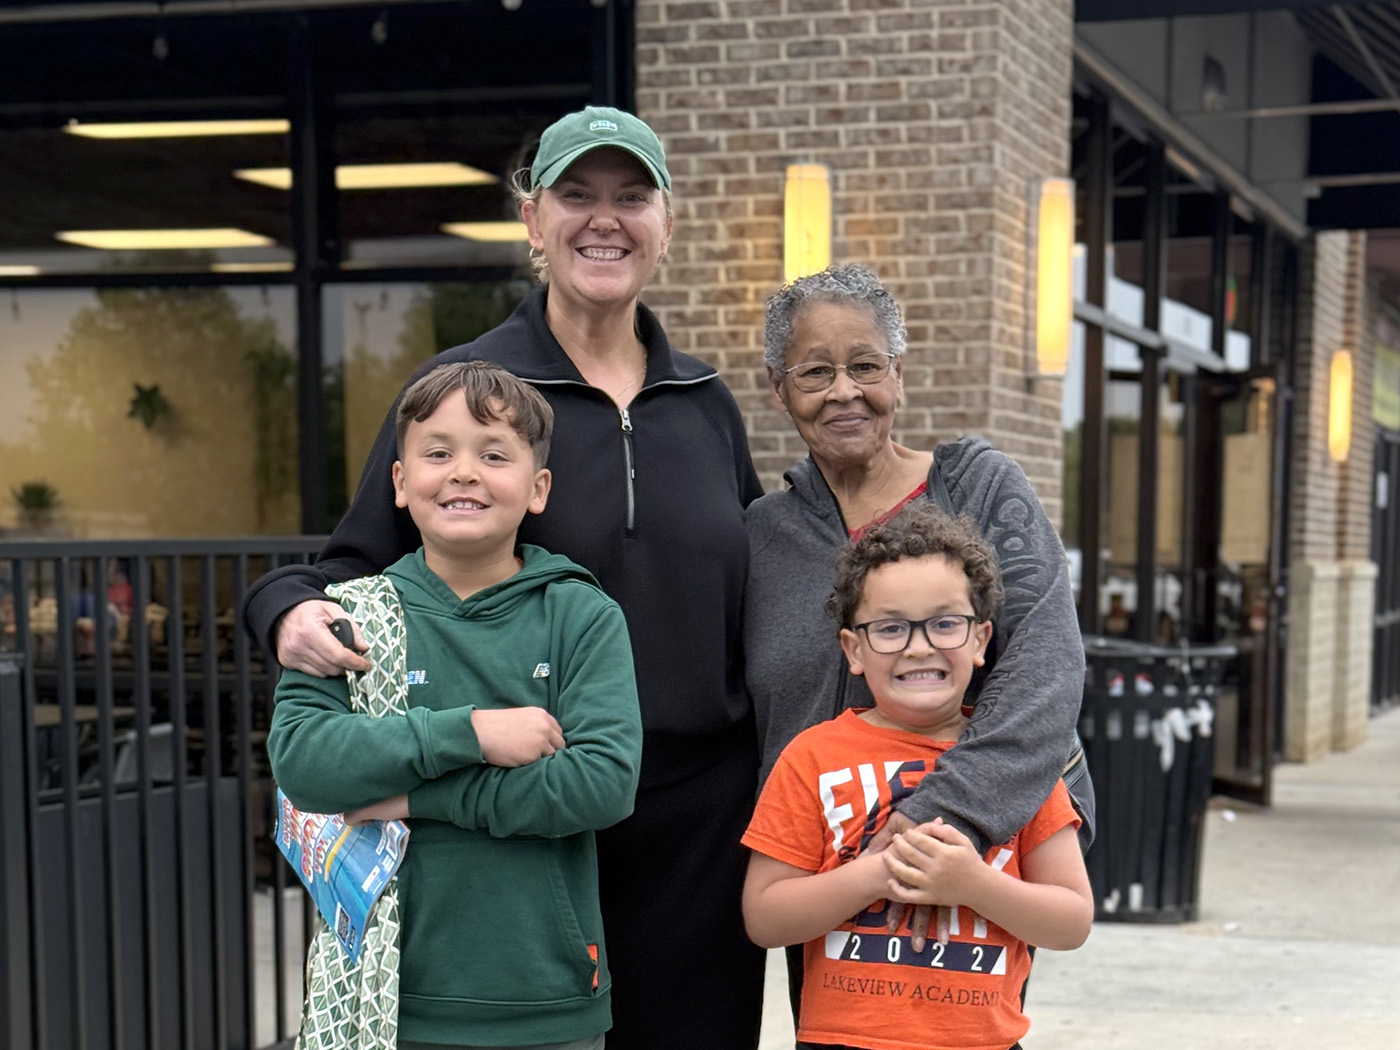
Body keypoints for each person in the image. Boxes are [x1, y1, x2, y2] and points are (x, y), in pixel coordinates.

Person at [245, 106, 766, 1049]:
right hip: (520, 813)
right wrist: (280, 607)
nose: (604, 219)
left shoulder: (706, 404)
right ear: (533, 220)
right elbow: (355, 561)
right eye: (576, 195)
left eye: (631, 197)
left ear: (666, 225)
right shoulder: (467, 396)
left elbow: (763, 594)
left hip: (700, 831)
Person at [268, 361, 643, 1048]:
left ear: (538, 489)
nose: (464, 472)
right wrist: (468, 734)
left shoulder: (582, 615)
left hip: (546, 1003)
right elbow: (306, 764)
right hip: (383, 1000)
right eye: (438, 453)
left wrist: (416, 799)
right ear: (401, 483)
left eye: (494, 454)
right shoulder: (347, 618)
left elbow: (600, 785)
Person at [744, 263, 1094, 965]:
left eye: (866, 365)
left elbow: (1045, 669)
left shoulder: (978, 490)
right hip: (827, 879)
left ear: (898, 375)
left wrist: (934, 822)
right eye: (814, 373)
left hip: (975, 851)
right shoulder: (761, 536)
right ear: (780, 392)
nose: (845, 391)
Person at [742, 503, 1092, 1050]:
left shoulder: (1016, 764)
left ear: (980, 641)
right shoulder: (811, 757)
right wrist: (882, 873)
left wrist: (970, 884)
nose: (919, 646)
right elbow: (765, 917)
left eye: (945, 623)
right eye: (890, 628)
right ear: (853, 650)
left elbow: (1071, 920)